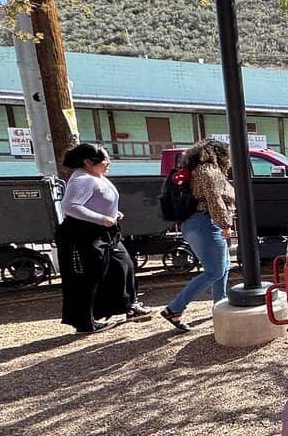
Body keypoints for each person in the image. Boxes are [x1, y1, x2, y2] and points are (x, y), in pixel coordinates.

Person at [56, 143, 153, 333]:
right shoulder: (81, 179)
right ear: (88, 162)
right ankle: (84, 322)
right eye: (105, 159)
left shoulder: (96, 176)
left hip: (107, 232)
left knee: (124, 265)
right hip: (83, 234)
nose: (109, 162)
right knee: (89, 277)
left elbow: (99, 201)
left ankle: (129, 305)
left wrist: (113, 213)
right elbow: (70, 206)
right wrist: (102, 219)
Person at [160, 139, 235, 332]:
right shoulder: (209, 170)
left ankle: (220, 306)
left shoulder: (195, 170)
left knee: (223, 267)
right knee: (215, 271)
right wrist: (225, 224)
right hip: (206, 223)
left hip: (195, 223)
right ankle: (174, 309)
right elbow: (214, 199)